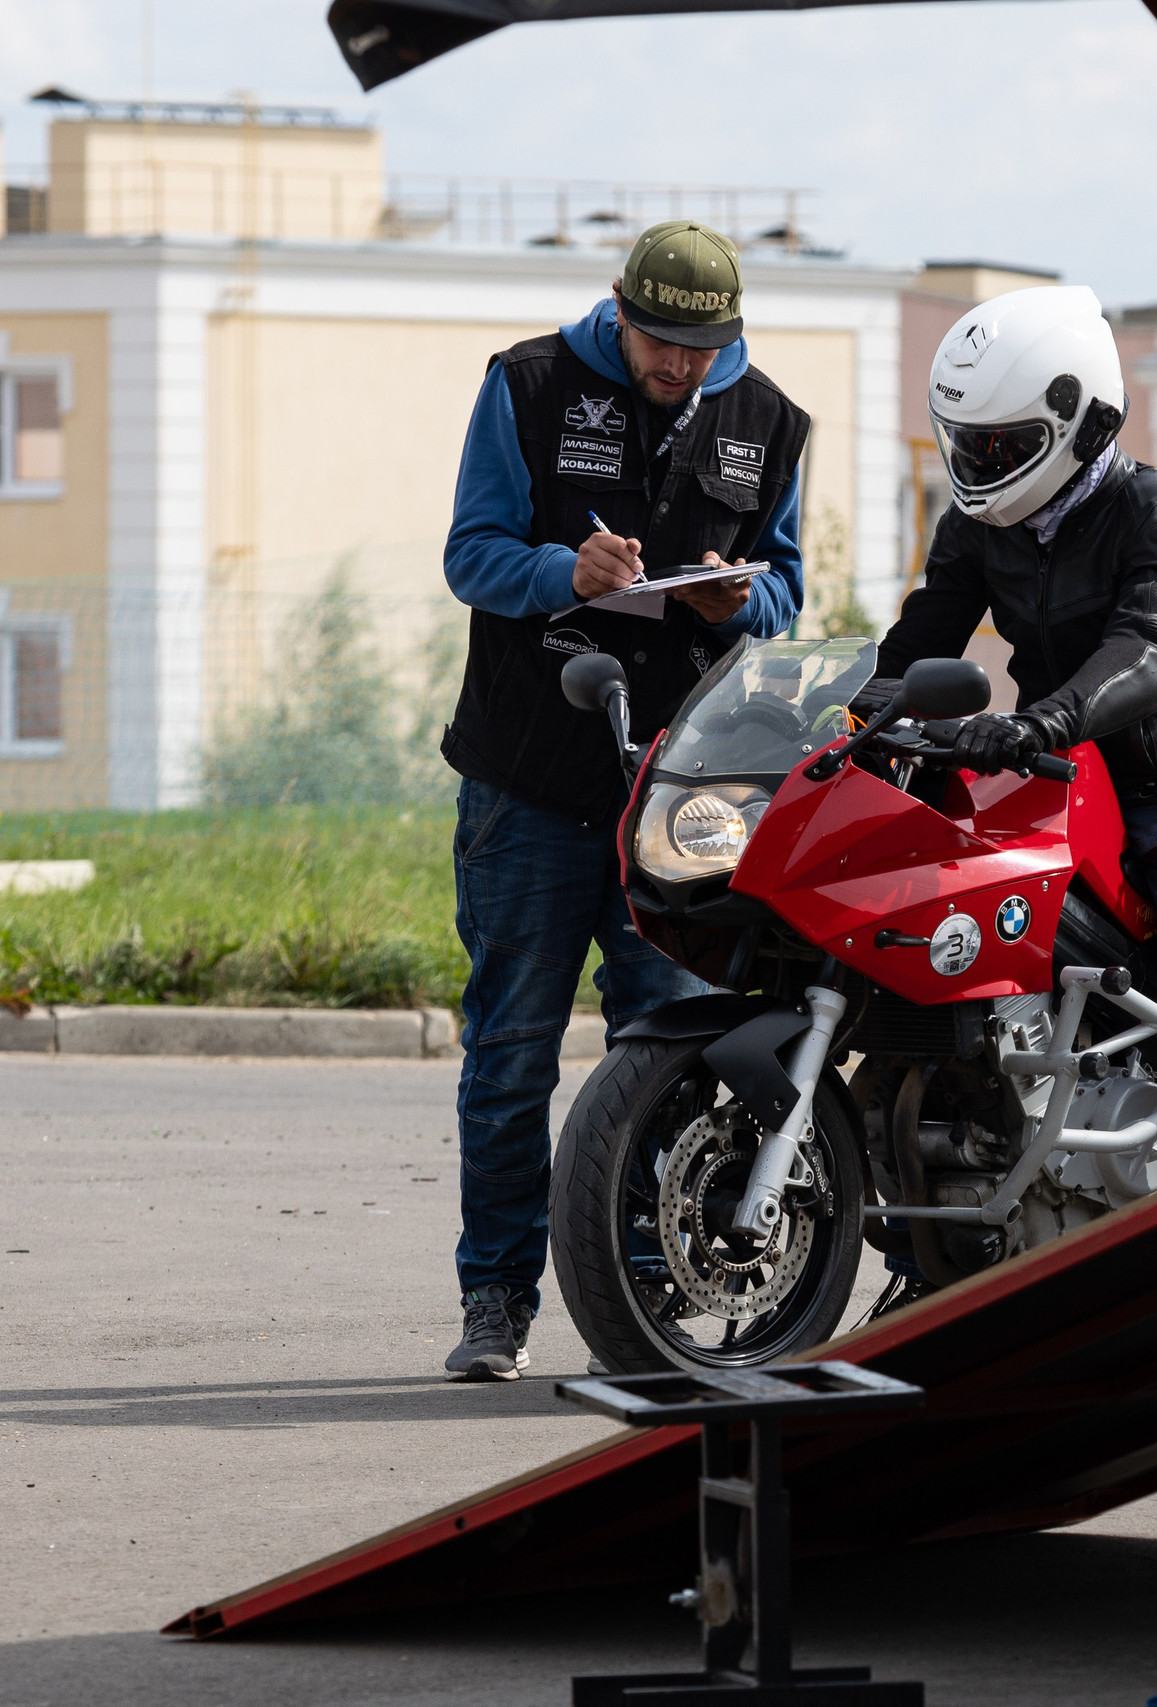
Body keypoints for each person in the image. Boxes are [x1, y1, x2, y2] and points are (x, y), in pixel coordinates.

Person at [436, 221, 811, 1380]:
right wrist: (564, 572)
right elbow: (470, 555)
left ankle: (650, 1307)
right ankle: (496, 1301)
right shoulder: (529, 383)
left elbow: (789, 589)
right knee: (510, 1055)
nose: (679, 367)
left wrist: (734, 606)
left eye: (702, 349)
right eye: (660, 344)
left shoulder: (775, 421)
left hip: (686, 794)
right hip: (530, 782)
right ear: (619, 309)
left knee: (676, 1055)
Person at [866, 285, 1157, 1132]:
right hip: (1050, 777)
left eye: (1001, 444)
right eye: (967, 441)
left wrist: (1040, 722)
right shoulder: (979, 525)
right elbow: (921, 637)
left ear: (1087, 423)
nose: (979, 461)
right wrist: (847, 718)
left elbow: (1144, 654)